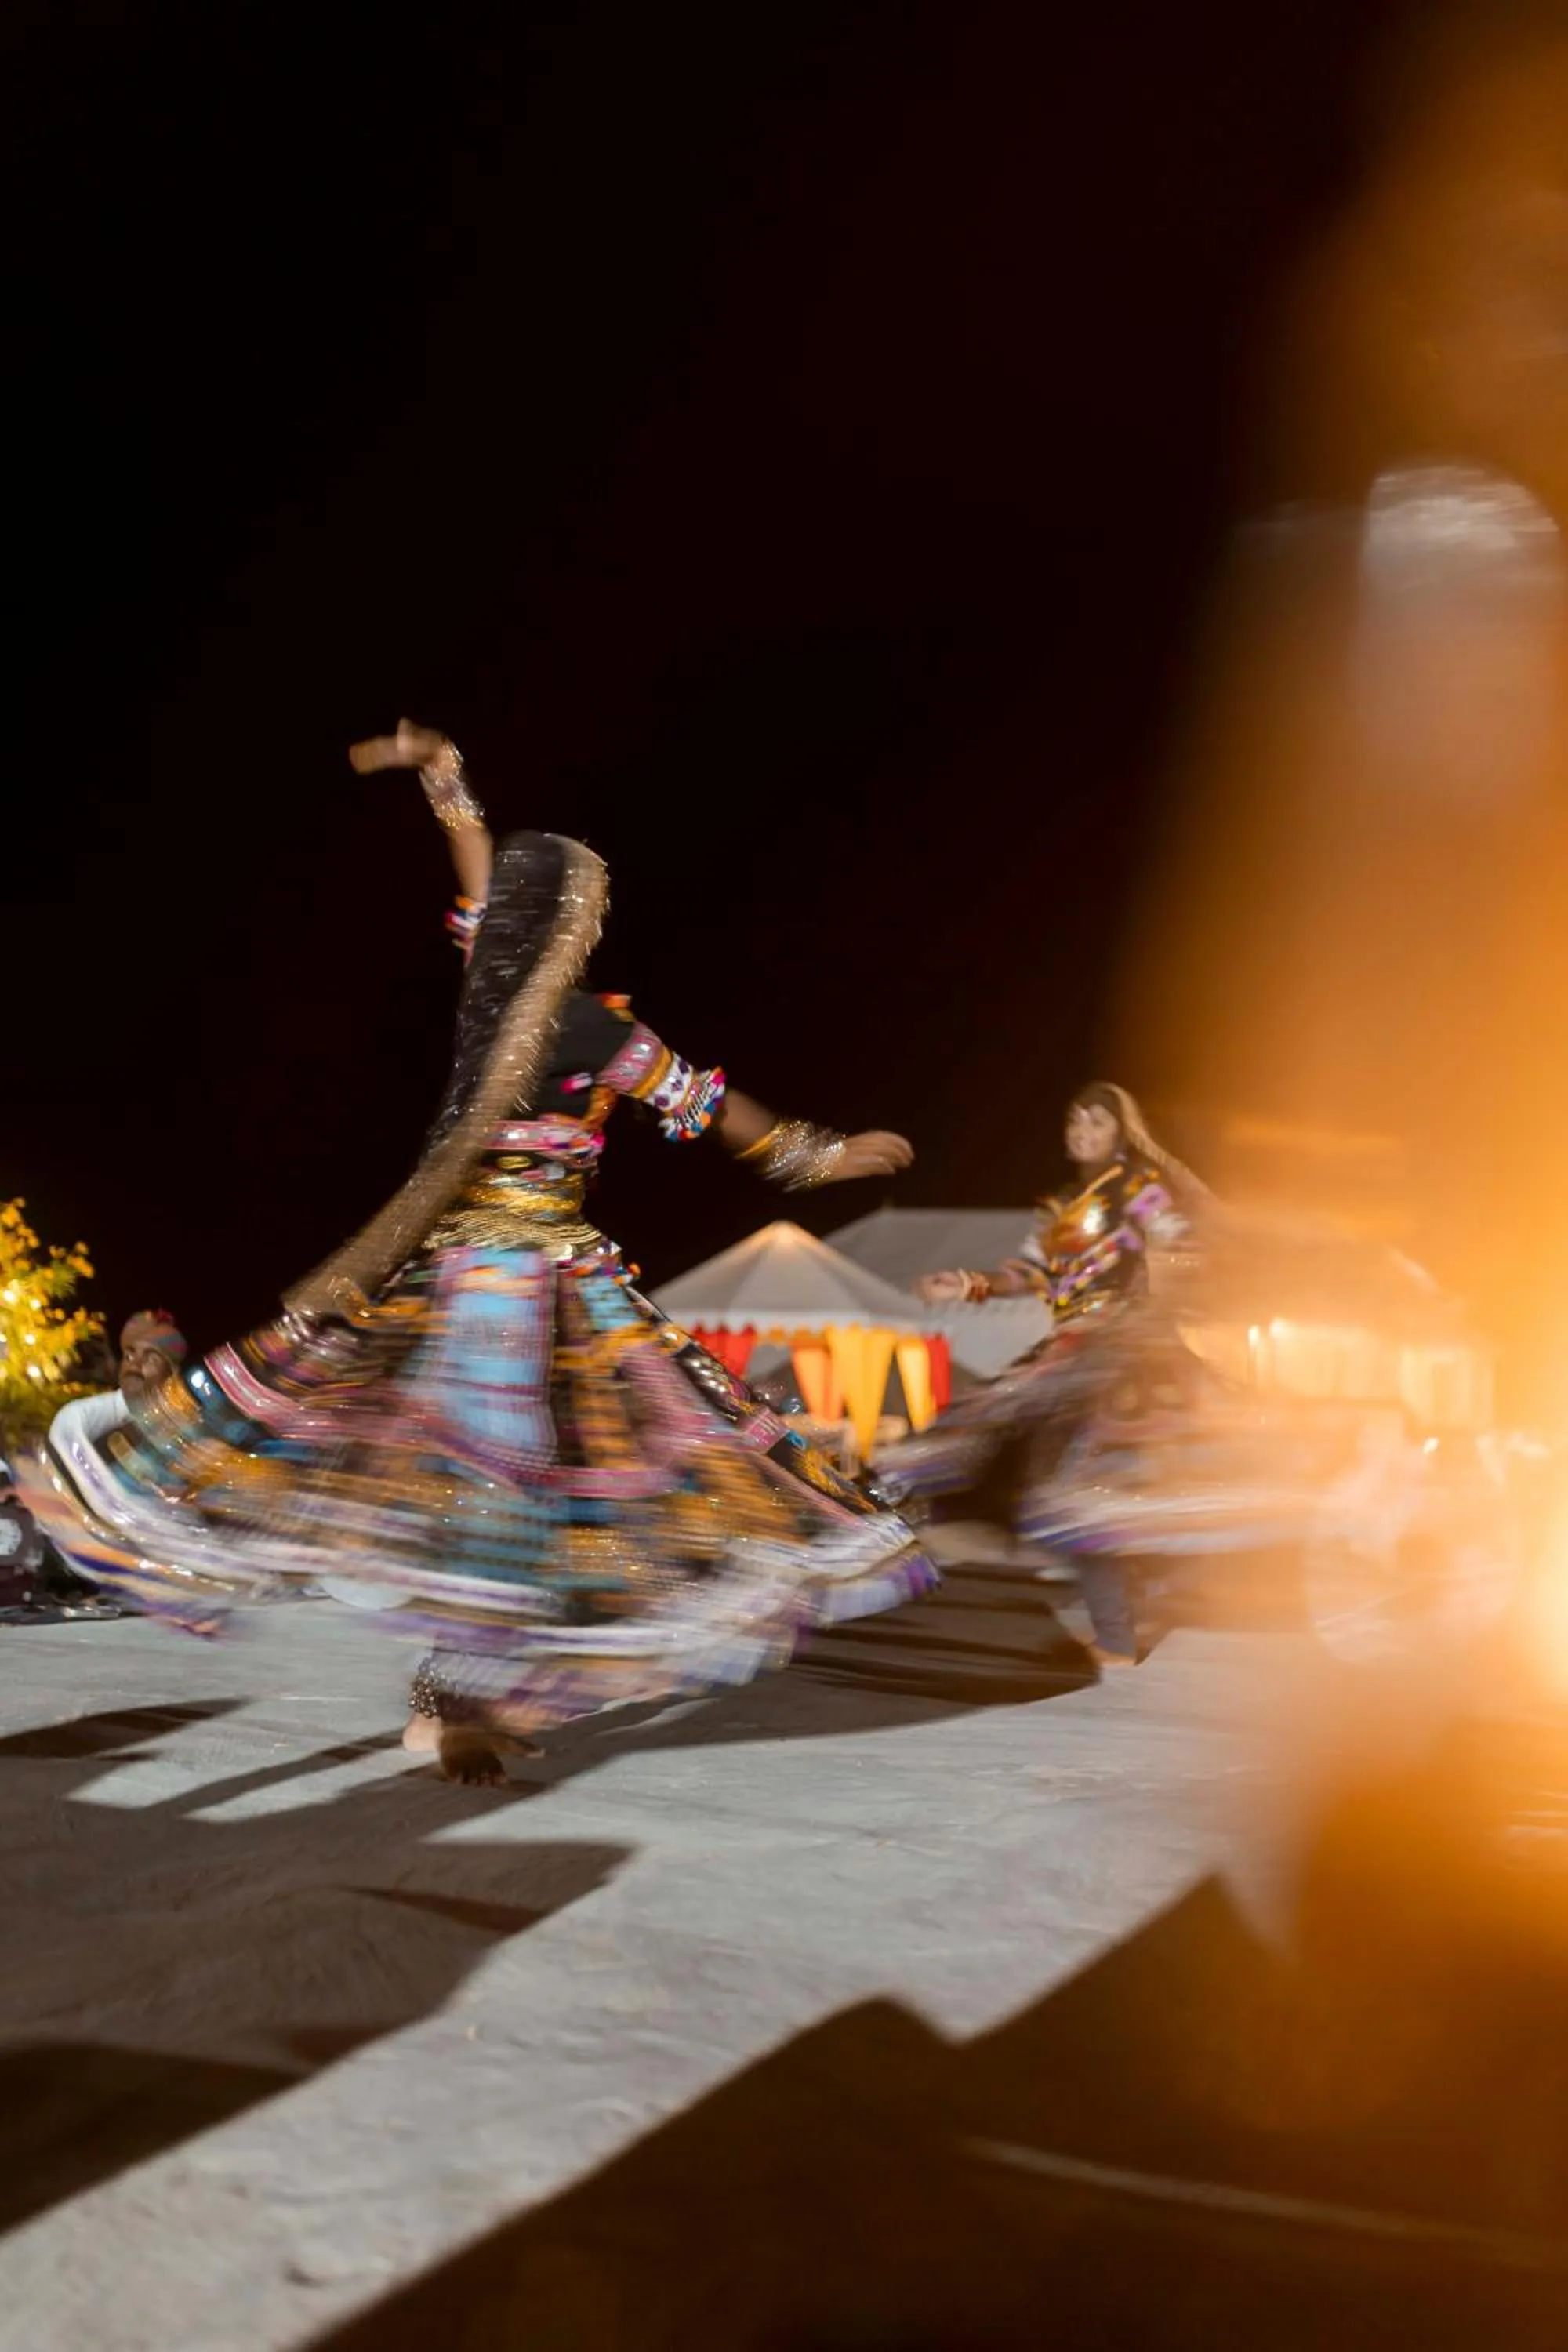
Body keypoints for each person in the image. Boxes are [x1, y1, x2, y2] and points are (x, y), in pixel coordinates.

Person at [32, 724, 932, 1782]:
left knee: (512, 1491)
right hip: (506, 1285)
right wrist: (822, 1157)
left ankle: (450, 1700)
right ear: (561, 923)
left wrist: (450, 792)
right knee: (506, 1489)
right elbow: (710, 1109)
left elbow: (487, 910)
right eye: (585, 911)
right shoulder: (593, 1030)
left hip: (512, 1279)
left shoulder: (491, 1003)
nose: (589, 927)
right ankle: (448, 1704)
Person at [882, 1084, 1204, 1668]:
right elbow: (1026, 1276)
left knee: (1080, 1495)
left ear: (1119, 1131)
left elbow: (1179, 1239)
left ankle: (1120, 1632)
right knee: (1057, 1486)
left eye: (1096, 1120)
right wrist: (966, 1284)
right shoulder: (1060, 1205)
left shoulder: (1135, 1186)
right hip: (1071, 1350)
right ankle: (1125, 1617)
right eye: (1075, 1119)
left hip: (1117, 1356)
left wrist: (1150, 1309)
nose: (1082, 1129)